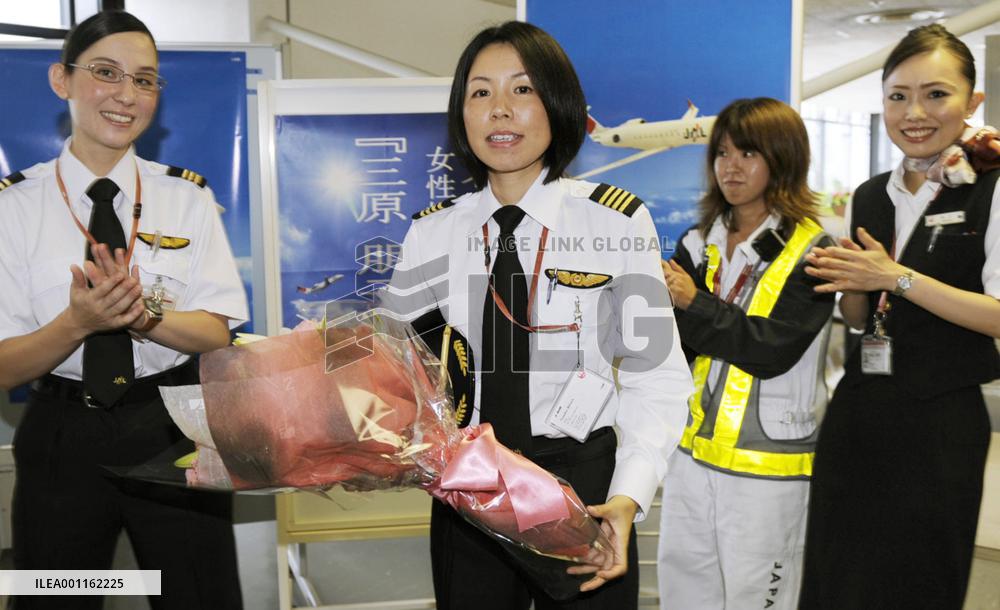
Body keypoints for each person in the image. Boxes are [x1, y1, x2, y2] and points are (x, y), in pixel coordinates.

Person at [384, 20, 692, 610]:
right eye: (481, 92)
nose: (500, 109)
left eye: (522, 89)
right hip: (470, 487)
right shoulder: (431, 234)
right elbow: (398, 373)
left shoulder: (614, 223)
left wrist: (627, 497)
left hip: (583, 490)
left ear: (558, 104)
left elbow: (656, 376)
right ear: (462, 113)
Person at [0, 10, 246, 610]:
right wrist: (77, 324)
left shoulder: (186, 197)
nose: (126, 95)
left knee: (198, 595)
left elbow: (216, 332)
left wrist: (145, 318)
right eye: (106, 73)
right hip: (61, 436)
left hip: (172, 428)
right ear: (61, 79)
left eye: (145, 80)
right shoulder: (14, 208)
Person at [800, 24, 1000, 609]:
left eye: (936, 94)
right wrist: (847, 282)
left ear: (972, 102)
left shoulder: (989, 189)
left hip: (940, 420)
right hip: (861, 408)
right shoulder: (870, 194)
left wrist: (895, 278)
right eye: (898, 96)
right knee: (839, 576)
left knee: (918, 582)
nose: (914, 113)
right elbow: (862, 319)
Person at [655, 97, 834, 609]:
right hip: (692, 454)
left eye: (748, 154)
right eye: (722, 153)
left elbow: (771, 349)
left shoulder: (815, 252)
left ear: (784, 158)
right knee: (684, 591)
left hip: (768, 466)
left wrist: (693, 302)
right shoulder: (697, 242)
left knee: (759, 598)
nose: (731, 167)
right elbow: (675, 345)